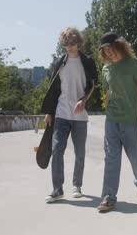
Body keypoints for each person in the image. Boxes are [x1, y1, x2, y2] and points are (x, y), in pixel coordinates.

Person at [97, 32, 137, 212]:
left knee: (136, 157)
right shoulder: (106, 69)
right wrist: (105, 105)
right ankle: (108, 197)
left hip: (130, 120)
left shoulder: (133, 64)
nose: (109, 52)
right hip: (112, 120)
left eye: (111, 48)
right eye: (105, 50)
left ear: (119, 46)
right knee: (111, 158)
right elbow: (108, 91)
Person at [40, 27, 97, 203]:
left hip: (80, 116)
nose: (69, 47)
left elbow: (92, 84)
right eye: (65, 44)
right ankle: (57, 189)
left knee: (80, 152)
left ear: (78, 43)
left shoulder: (87, 61)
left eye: (72, 43)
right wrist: (49, 112)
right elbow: (53, 88)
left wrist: (84, 100)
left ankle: (77, 185)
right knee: (57, 150)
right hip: (61, 113)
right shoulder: (59, 63)